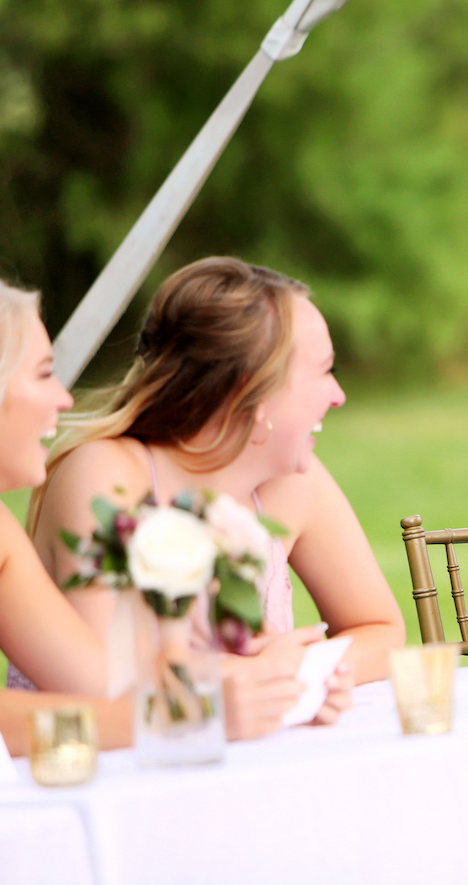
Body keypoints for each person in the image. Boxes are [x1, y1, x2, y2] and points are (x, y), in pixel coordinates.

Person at [29, 257, 405, 737]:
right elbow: (101, 681)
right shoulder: (105, 475)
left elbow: (382, 630)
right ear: (252, 391)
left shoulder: (291, 481)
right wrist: (241, 679)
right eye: (324, 371)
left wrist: (299, 673)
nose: (338, 395)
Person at [0, 275, 135, 754]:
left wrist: (251, 677)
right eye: (45, 374)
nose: (65, 399)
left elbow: (99, 683)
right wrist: (152, 723)